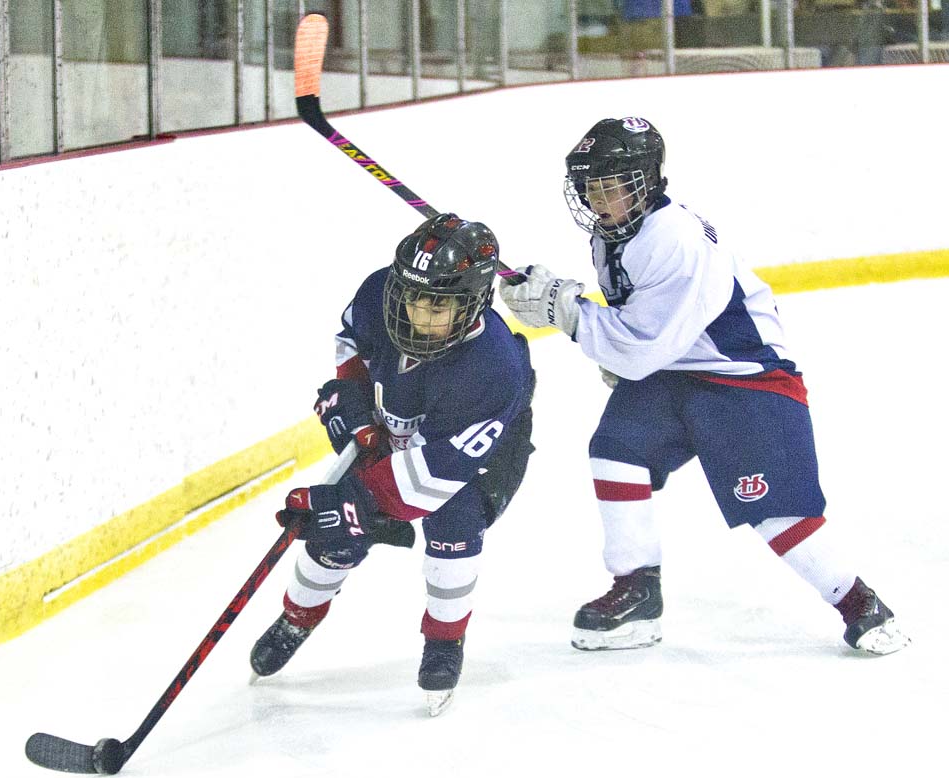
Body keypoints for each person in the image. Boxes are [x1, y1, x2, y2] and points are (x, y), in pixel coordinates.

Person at [500, 116, 909, 656]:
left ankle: (860, 603)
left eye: (611, 185)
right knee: (617, 450)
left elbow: (641, 345)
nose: (599, 199)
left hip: (747, 378)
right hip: (679, 371)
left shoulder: (673, 239)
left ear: (644, 180)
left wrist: (565, 311)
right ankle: (637, 592)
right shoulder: (614, 234)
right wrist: (587, 322)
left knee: (774, 510)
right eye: (590, 186)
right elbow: (643, 333)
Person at [250, 213, 536, 714]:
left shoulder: (494, 369)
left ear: (471, 305)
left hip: (475, 455)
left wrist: (349, 505)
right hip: (397, 427)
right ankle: (298, 616)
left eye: (437, 306)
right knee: (332, 533)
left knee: (454, 523)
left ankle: (445, 640)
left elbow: (431, 479)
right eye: (411, 298)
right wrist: (354, 408)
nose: (416, 316)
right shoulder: (381, 292)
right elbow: (350, 345)